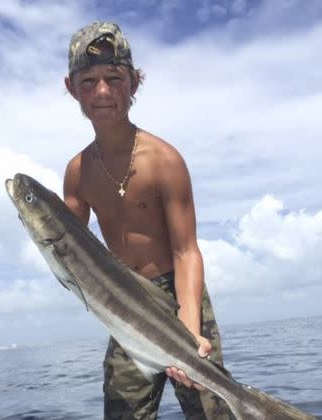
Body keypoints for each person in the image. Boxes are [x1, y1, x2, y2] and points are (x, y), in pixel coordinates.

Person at [61, 21, 233, 419]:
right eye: (88, 81)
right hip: (124, 299)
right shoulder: (77, 173)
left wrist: (188, 329)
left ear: (134, 83)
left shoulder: (164, 160)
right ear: (71, 88)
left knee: (213, 407)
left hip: (178, 294)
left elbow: (186, 251)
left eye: (114, 78)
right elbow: (71, 253)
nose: (102, 92)